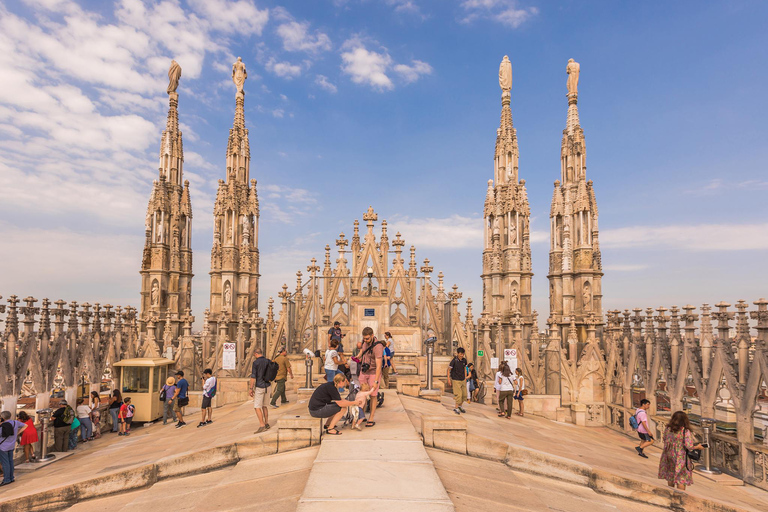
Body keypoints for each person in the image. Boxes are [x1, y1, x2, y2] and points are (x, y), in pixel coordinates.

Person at [658, 411, 706, 491]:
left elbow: (665, 439)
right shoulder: (685, 431)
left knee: (671, 475)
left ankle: (670, 493)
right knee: (681, 478)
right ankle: (680, 497)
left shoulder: (668, 428)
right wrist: (698, 447)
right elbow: (689, 446)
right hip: (681, 456)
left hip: (668, 454)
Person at [357, 326, 384, 427]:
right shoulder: (364, 342)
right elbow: (362, 352)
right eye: (364, 338)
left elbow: (378, 366)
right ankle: (362, 415)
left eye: (367, 338)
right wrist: (358, 357)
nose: (365, 340)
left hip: (373, 373)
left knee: (373, 395)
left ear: (372, 335)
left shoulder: (378, 346)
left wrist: (376, 381)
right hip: (364, 372)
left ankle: (371, 417)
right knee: (362, 394)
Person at [0, 411, 27, 487]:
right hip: (11, 445)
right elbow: (25, 425)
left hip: (3, 446)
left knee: (5, 463)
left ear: (3, 417)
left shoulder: (3, 426)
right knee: (10, 462)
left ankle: (6, 479)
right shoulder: (15, 422)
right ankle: (11, 477)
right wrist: (17, 433)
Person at [249, 349, 271, 433]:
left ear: (255, 353)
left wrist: (251, 388)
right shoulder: (268, 361)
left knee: (257, 406)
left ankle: (262, 425)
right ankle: (266, 423)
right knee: (264, 406)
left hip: (260, 386)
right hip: (268, 386)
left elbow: (253, 376)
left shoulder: (256, 363)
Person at [447, 347, 468, 415]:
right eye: (461, 354)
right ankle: (456, 408)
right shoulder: (454, 361)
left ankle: (460, 406)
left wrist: (465, 378)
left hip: (462, 379)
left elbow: (465, 368)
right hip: (456, 380)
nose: (462, 355)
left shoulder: (464, 360)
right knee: (459, 394)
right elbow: (448, 370)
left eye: (463, 354)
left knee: (464, 395)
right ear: (458, 353)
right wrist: (448, 379)